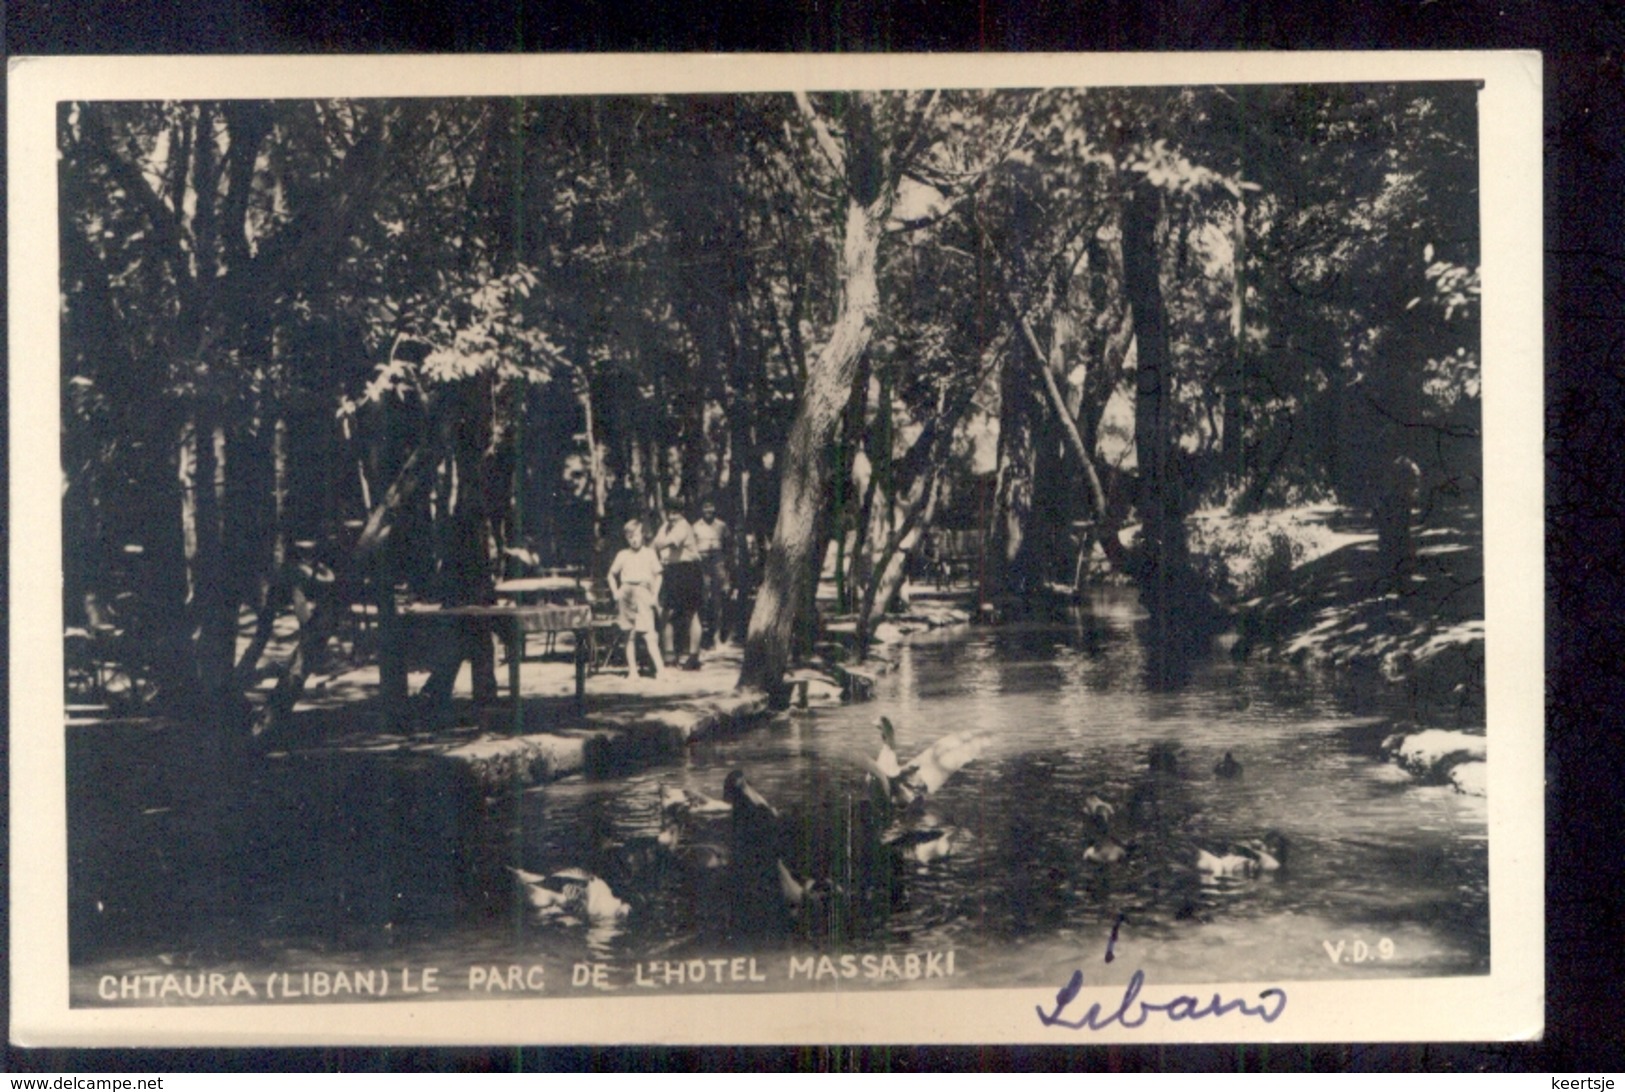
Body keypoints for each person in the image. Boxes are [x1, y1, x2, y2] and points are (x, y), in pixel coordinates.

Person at [607, 518, 665, 680]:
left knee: (649, 634)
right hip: (626, 592)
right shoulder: (622, 555)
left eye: (637, 535)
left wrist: (654, 596)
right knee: (629, 634)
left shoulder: (650, 553)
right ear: (626, 538)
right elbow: (611, 575)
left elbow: (659, 576)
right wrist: (615, 592)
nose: (634, 539)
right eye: (630, 536)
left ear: (643, 535)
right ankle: (633, 671)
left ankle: (661, 670)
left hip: (644, 592)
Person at [652, 503, 704, 670]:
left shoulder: (683, 526)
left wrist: (658, 543)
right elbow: (655, 543)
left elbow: (664, 544)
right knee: (667, 611)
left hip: (688, 570)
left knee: (691, 613)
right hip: (672, 570)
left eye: (675, 513)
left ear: (681, 513)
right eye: (669, 513)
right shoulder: (666, 525)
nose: (672, 517)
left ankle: (693, 656)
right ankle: (669, 655)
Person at [692, 497, 733, 647]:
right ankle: (702, 639)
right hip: (701, 563)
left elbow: (729, 546)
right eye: (705, 508)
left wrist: (726, 566)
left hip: (718, 561)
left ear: (715, 509)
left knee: (718, 600)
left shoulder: (722, 526)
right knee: (703, 600)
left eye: (711, 508)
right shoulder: (695, 527)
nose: (708, 511)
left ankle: (716, 637)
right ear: (701, 510)